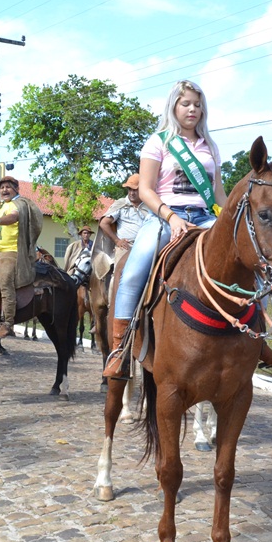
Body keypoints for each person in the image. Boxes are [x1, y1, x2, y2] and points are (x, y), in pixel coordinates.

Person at [104, 80, 228, 379]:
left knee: (247, 259)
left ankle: (258, 338)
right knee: (133, 272)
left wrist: (228, 222)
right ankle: (120, 350)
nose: (192, 109)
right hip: (163, 217)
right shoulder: (158, 142)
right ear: (174, 106)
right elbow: (145, 190)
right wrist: (171, 218)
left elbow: (219, 193)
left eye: (197, 104)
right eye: (186, 103)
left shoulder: (209, 145)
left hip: (205, 217)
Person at [0, 176, 43, 340]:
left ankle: (7, 322)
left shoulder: (19, 205)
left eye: (7, 187)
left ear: (16, 189)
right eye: (1, 188)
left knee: (4, 280)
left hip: (12, 252)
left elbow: (13, 217)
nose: (4, 190)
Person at [99, 173, 153, 267]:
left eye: (135, 190)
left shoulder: (149, 206)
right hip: (125, 248)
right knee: (118, 276)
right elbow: (104, 223)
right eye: (129, 189)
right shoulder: (121, 204)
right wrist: (117, 241)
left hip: (145, 248)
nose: (132, 193)